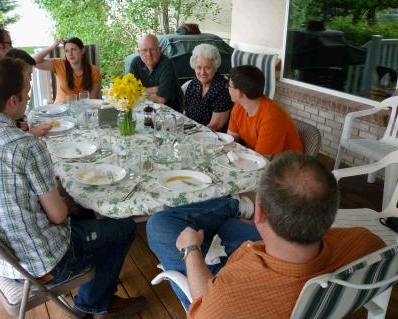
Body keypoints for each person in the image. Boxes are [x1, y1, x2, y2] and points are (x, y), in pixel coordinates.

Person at [0, 58, 145, 318]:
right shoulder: (26, 146)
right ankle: (92, 303)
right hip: (43, 264)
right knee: (124, 227)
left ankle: (98, 286)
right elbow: (59, 216)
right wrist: (64, 202)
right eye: (27, 92)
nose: (29, 97)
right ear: (13, 101)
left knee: (84, 211)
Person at [148, 152, 385, 318]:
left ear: (259, 213)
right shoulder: (366, 241)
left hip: (242, 286)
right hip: (272, 259)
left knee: (158, 224)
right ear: (331, 214)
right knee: (229, 225)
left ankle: (230, 205)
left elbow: (202, 308)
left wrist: (191, 250)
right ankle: (229, 208)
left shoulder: (226, 300)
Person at [227, 65, 303, 159]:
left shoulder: (271, 118)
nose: (227, 88)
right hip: (255, 157)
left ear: (239, 92)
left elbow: (262, 161)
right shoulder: (239, 105)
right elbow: (230, 140)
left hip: (285, 167)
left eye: (229, 85)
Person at [34, 37, 102, 103]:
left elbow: (92, 99)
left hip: (83, 110)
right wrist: (52, 47)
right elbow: (33, 61)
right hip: (60, 110)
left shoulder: (93, 70)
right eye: (67, 51)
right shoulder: (59, 64)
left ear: (82, 50)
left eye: (73, 49)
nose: (70, 54)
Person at [128, 34, 184, 111]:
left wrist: (140, 92)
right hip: (145, 110)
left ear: (160, 50)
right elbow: (131, 92)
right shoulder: (135, 63)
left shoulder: (167, 64)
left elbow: (161, 100)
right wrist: (157, 89)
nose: (149, 54)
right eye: (144, 50)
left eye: (152, 49)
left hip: (170, 113)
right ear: (139, 52)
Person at [184, 44, 232, 131]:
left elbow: (215, 126)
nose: (202, 72)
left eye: (207, 68)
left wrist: (191, 133)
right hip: (191, 132)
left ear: (215, 67)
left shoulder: (222, 89)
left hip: (212, 137)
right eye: (199, 67)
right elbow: (185, 113)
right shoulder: (194, 84)